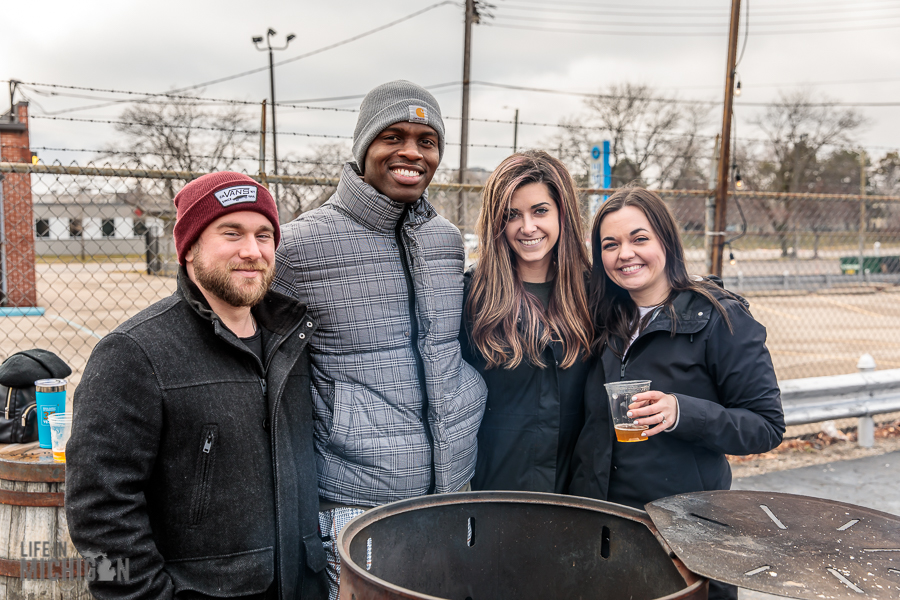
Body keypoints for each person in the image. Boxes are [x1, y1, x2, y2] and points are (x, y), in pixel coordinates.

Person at [66, 172, 327, 600]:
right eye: (231, 233)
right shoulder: (133, 353)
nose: (252, 251)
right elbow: (96, 512)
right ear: (189, 249)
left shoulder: (292, 341)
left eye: (265, 235)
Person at [272, 80, 487, 599]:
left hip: (452, 490)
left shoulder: (444, 240)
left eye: (427, 140)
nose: (412, 151)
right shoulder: (301, 245)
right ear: (363, 146)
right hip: (356, 501)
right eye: (394, 136)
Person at [569, 186, 785, 600]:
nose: (624, 254)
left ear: (666, 241)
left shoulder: (719, 317)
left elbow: (766, 427)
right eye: (610, 244)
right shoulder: (601, 318)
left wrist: (681, 411)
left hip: (688, 534)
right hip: (607, 529)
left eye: (639, 238)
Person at [461, 151, 593, 492]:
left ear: (563, 214)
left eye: (540, 211)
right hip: (496, 494)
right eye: (511, 215)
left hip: (579, 495)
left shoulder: (597, 294)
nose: (527, 227)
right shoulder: (471, 297)